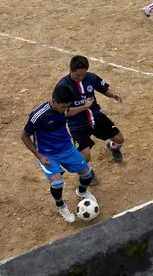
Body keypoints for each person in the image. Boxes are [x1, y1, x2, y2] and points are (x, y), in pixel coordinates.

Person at [21, 84, 98, 223]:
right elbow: (24, 136)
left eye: (66, 106)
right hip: (47, 153)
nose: (64, 110)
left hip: (66, 148)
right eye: (62, 106)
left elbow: (69, 112)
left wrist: (85, 106)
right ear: (54, 101)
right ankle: (60, 205)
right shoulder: (38, 115)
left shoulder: (64, 108)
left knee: (87, 174)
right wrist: (39, 156)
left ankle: (81, 191)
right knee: (57, 183)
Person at [57, 56, 125, 168]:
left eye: (83, 74)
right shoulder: (63, 86)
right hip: (78, 125)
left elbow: (104, 89)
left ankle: (112, 147)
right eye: (77, 75)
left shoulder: (91, 77)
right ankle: (89, 172)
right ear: (70, 70)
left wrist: (113, 95)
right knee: (85, 156)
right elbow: (64, 112)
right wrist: (84, 107)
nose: (80, 77)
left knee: (120, 140)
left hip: (97, 118)